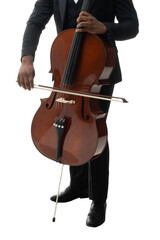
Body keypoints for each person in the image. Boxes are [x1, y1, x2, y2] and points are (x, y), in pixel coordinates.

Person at [17, 0, 139, 227]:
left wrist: (103, 28)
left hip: (98, 68)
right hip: (65, 66)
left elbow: (132, 26)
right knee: (71, 120)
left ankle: (99, 200)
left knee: (93, 129)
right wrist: (27, 59)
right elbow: (35, 22)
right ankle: (78, 186)